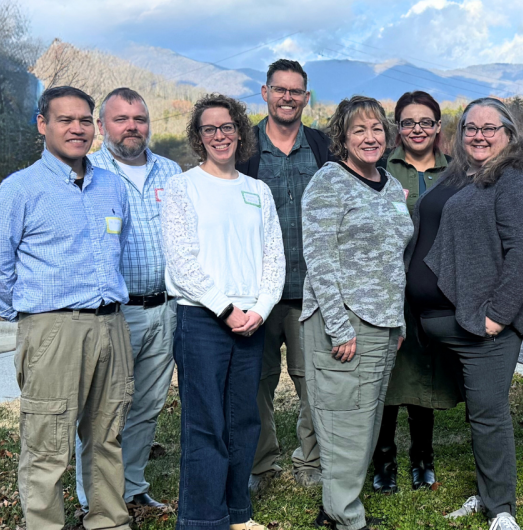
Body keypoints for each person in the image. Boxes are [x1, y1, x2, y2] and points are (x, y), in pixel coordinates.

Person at [0, 86, 133, 530]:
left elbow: (119, 249)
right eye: (65, 120)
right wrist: (33, 320)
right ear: (42, 124)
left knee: (107, 437)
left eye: (85, 120)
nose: (77, 128)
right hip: (52, 329)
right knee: (47, 443)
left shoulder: (112, 185)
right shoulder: (19, 191)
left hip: (111, 327)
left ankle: (108, 521)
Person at [409, 98, 523, 530]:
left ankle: (501, 509)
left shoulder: (515, 180)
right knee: (477, 414)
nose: (480, 136)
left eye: (490, 128)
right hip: (441, 319)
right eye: (471, 128)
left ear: (509, 133)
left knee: (488, 413)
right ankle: (487, 493)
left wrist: (498, 316)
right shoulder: (458, 174)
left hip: (482, 324)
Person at [163, 94, 284, 530]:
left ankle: (237, 513)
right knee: (206, 424)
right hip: (203, 320)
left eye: (227, 127)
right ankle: (200, 519)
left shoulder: (258, 191)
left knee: (243, 422)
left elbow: (275, 257)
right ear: (198, 137)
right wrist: (226, 309)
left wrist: (261, 308)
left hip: (252, 321)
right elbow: (181, 260)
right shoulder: (183, 187)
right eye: (209, 129)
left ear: (240, 132)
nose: (220, 135)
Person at [301, 96, 413, 530]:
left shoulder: (386, 182)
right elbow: (320, 258)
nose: (370, 138)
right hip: (343, 320)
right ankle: (346, 518)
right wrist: (338, 325)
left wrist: (397, 320)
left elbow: (392, 259)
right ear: (342, 138)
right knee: (344, 422)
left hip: (383, 323)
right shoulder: (328, 182)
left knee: (365, 420)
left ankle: (339, 507)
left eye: (377, 129)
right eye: (359, 130)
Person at [72, 87, 185, 513]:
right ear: (103, 126)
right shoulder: (88, 172)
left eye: (139, 118)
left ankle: (133, 487)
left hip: (166, 308)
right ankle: (94, 500)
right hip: (114, 312)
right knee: (104, 409)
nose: (132, 126)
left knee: (148, 405)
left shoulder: (171, 172)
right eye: (121, 119)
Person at [238, 59, 334, 492]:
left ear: (306, 97)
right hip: (256, 292)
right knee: (255, 384)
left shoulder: (323, 146)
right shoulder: (243, 148)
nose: (288, 97)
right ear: (265, 93)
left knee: (313, 381)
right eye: (281, 89)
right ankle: (261, 465)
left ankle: (310, 461)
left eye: (296, 91)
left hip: (309, 291)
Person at [372, 91, 460, 494]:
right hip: (389, 290)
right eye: (408, 122)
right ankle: (383, 459)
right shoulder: (380, 170)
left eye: (426, 122)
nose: (417, 129)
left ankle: (422, 457)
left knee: (426, 374)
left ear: (438, 126)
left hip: (436, 291)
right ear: (397, 127)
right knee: (389, 376)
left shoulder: (457, 172)